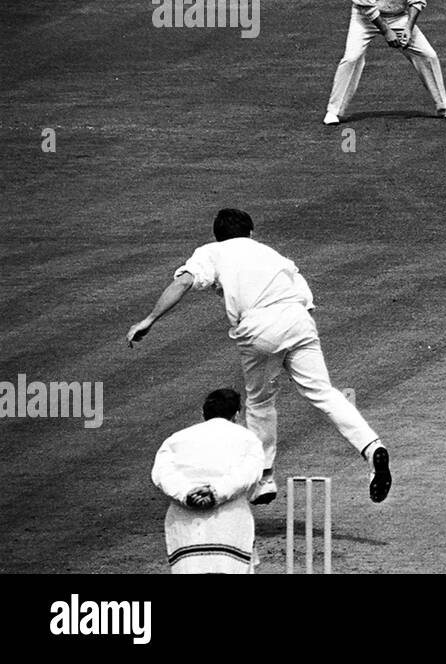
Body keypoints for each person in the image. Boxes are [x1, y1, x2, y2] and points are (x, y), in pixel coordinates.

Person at [127, 208, 392, 505]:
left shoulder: (212, 251)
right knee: (323, 392)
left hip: (260, 325)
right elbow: (307, 301)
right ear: (251, 233)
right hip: (299, 319)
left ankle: (264, 479)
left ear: (218, 235)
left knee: (259, 400)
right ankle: (372, 448)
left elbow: (183, 282)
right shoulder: (273, 255)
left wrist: (149, 319)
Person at [151, 388, 264, 574]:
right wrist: (215, 492)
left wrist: (187, 493)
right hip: (230, 521)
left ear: (203, 413)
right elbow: (247, 475)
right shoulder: (248, 439)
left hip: (186, 525)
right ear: (237, 414)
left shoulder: (175, 439)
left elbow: (162, 474)